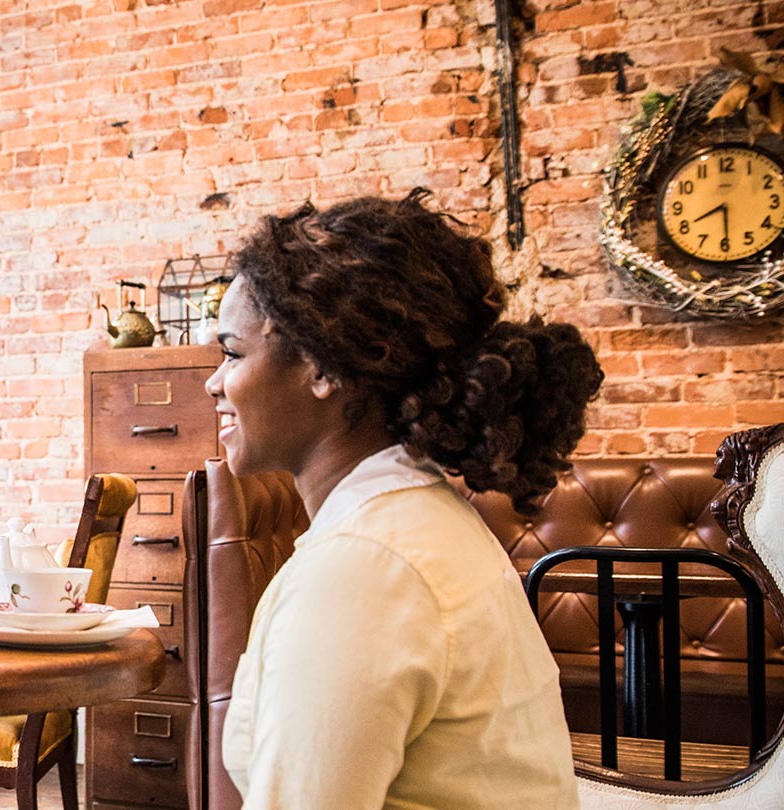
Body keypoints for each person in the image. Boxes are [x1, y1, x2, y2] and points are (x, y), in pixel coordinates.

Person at [207, 189, 599, 809]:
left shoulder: (362, 569)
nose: (215, 382)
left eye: (232, 353)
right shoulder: (417, 519)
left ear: (321, 370)